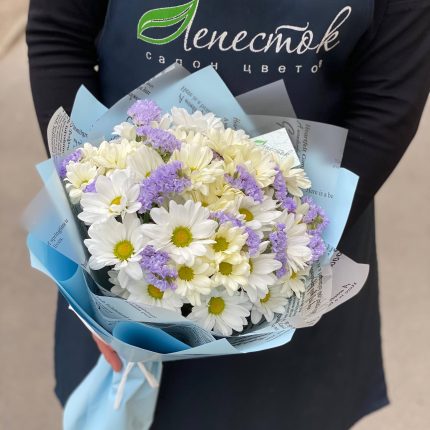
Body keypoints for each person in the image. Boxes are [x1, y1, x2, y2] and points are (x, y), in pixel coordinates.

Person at [26, 1, 430, 428]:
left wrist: (292, 243)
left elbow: (388, 99)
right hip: (119, 235)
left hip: (295, 253)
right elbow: (59, 34)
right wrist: (88, 199)